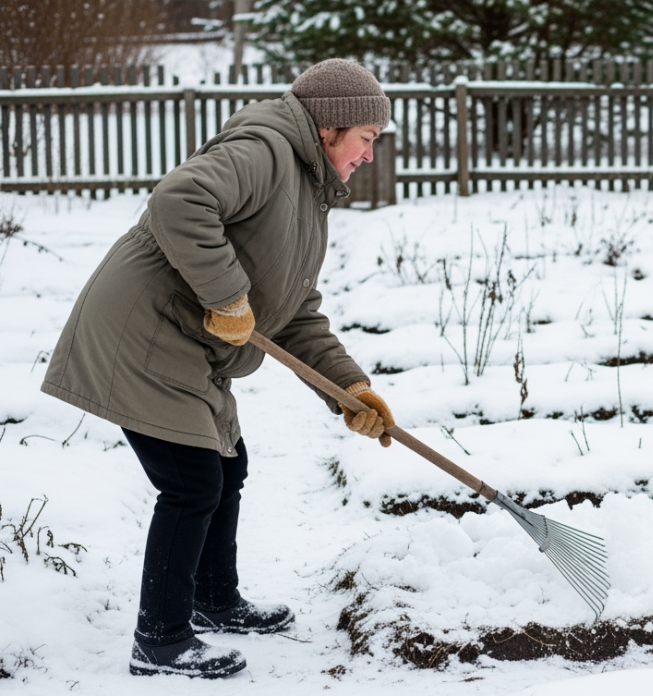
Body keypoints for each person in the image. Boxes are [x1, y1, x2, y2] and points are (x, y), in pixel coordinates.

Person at [41, 59, 396, 679]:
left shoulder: (304, 187)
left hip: (185, 339)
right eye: (366, 138)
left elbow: (291, 311)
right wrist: (229, 295)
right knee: (191, 483)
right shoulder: (264, 150)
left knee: (228, 465)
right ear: (331, 127)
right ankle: (162, 639)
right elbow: (180, 200)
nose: (368, 154)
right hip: (145, 333)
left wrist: (350, 389)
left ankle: (213, 599)